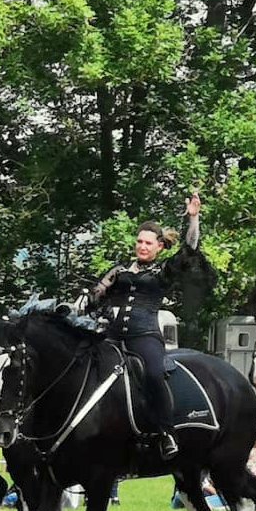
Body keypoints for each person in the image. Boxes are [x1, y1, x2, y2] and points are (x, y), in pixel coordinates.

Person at [88, 193, 204, 460]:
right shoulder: (119, 270)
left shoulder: (163, 271)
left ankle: (166, 433)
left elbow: (189, 249)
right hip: (114, 336)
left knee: (153, 374)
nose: (142, 246)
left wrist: (194, 218)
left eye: (148, 243)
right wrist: (93, 297)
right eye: (139, 241)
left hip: (146, 336)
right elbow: (97, 292)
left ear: (159, 247)